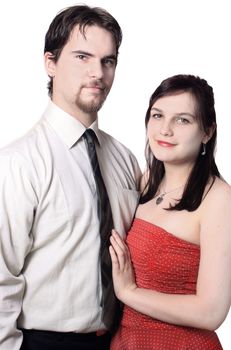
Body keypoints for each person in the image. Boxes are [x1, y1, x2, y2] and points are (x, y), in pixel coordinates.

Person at [0, 5, 141, 350]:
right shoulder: (19, 163)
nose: (98, 72)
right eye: (82, 56)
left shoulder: (125, 159)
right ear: (50, 63)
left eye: (108, 61)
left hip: (120, 340)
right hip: (44, 342)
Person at [109, 74, 231, 349]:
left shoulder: (219, 199)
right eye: (157, 115)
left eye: (182, 120)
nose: (165, 129)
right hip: (127, 340)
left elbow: (211, 312)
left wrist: (129, 292)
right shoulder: (146, 181)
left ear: (207, 132)